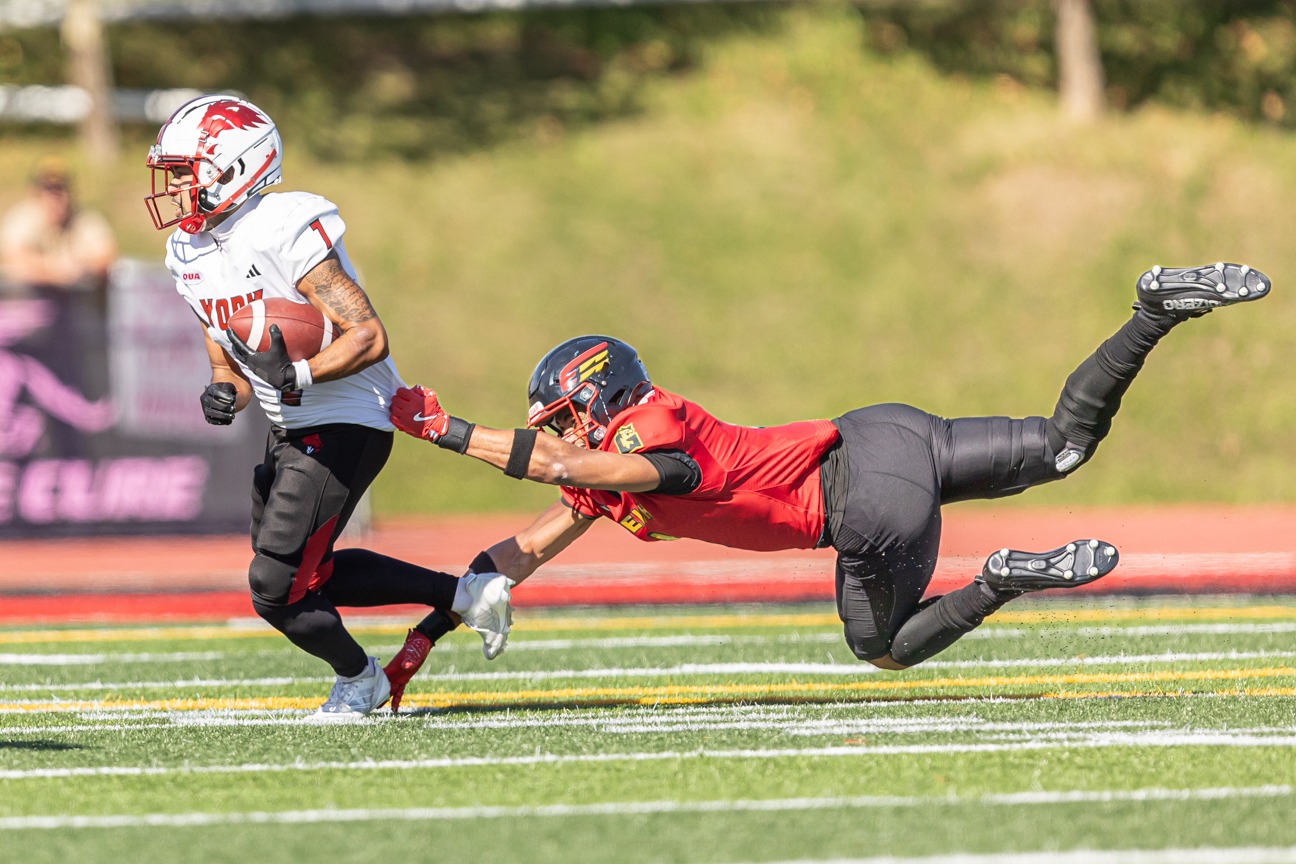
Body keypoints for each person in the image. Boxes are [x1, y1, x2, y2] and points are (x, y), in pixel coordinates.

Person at [381, 263, 1270, 708]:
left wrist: (440, 429)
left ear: (597, 402)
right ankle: (1151, 314)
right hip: (883, 432)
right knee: (1065, 448)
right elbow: (524, 547)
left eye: (565, 416)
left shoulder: (648, 438)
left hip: (865, 506)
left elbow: (569, 467)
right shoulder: (612, 464)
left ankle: (998, 579)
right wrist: (423, 644)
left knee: (881, 652)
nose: (560, 433)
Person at [144, 94, 512, 721]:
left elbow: (368, 335)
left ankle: (360, 678)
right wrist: (224, 388)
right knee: (306, 575)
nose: (174, 187)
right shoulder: (190, 250)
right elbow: (222, 346)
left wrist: (297, 372)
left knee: (274, 588)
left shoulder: (282, 224)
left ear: (231, 166)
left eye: (184, 171)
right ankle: (466, 594)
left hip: (349, 418)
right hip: (290, 426)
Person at [0, 158, 117, 304]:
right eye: (49, 190)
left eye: (60, 189)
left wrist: (82, 268)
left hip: (78, 309)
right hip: (30, 307)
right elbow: (13, 258)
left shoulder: (84, 218)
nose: (55, 198)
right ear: (36, 193)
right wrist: (57, 271)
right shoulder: (23, 217)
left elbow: (108, 257)